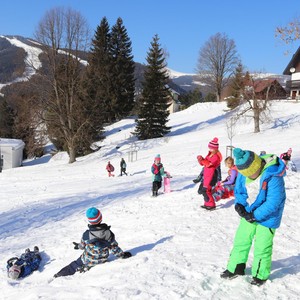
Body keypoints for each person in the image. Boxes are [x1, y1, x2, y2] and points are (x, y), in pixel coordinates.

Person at [220, 148, 286, 286]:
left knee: (262, 246)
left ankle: (260, 274)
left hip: (268, 217)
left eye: (251, 174)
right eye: (246, 175)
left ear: (258, 166)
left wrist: (254, 215)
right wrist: (240, 205)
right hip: (250, 213)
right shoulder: (244, 173)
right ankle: (236, 267)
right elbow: (240, 191)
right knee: (241, 239)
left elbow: (274, 201)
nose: (248, 177)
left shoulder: (273, 174)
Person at [54, 207, 132, 278]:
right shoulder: (108, 233)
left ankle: (58, 275)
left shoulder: (87, 234)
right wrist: (122, 255)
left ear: (89, 221)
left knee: (73, 265)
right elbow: (114, 247)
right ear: (100, 218)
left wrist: (78, 246)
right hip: (102, 259)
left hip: (87, 259)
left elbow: (83, 245)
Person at [197, 137, 222, 210]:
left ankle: (211, 205)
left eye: (211, 148)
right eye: (209, 148)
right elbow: (203, 163)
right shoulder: (209, 155)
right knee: (205, 190)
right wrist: (200, 159)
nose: (210, 149)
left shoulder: (216, 157)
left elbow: (209, 164)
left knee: (207, 190)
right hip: (207, 175)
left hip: (212, 175)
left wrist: (203, 160)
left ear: (216, 149)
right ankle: (207, 203)